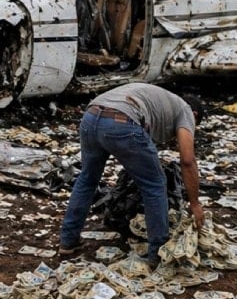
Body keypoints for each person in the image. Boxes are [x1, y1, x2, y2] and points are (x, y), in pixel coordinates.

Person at [58, 83, 204, 267]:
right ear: (195, 116)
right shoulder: (186, 111)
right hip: (121, 121)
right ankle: (158, 252)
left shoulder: (162, 100)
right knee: (155, 184)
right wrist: (195, 203)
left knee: (87, 178)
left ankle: (68, 241)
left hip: (91, 116)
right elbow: (187, 159)